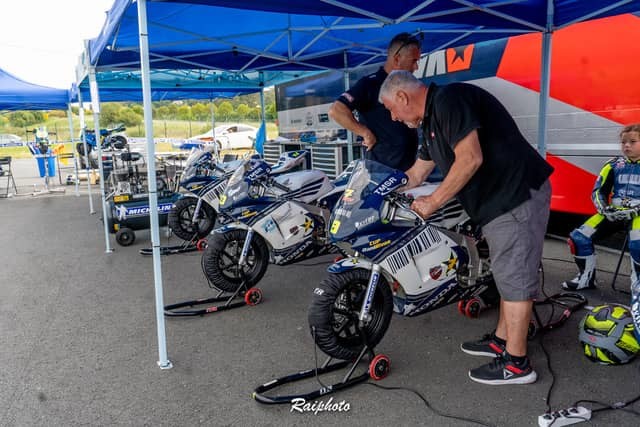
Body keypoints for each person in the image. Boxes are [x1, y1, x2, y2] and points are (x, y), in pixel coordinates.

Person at [378, 70, 553, 385]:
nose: (393, 117)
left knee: (514, 274)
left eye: (391, 109)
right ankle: (502, 341)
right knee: (505, 272)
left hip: (516, 194)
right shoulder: (430, 121)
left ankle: (516, 364)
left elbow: (470, 158)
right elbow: (417, 173)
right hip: (497, 201)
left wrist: (434, 201)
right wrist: (381, 192)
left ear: (402, 97)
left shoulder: (450, 100)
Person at [560, 124, 640, 341]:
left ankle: (637, 287)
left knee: (637, 244)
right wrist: (604, 209)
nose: (626, 146)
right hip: (614, 212)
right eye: (623, 142)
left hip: (638, 215)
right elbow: (598, 191)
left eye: (632, 142)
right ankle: (585, 278)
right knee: (579, 237)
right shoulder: (613, 164)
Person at [328, 32, 421, 171]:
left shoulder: (406, 84)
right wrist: (364, 133)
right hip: (382, 170)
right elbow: (336, 110)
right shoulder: (370, 84)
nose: (416, 67)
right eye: (413, 61)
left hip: (409, 167)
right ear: (397, 59)